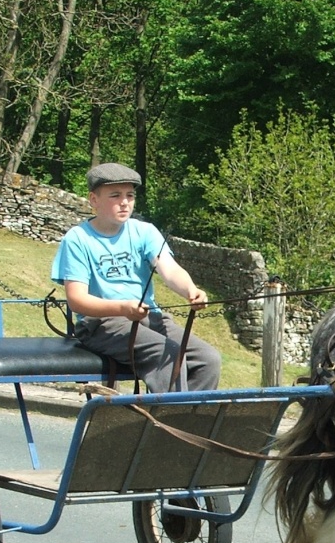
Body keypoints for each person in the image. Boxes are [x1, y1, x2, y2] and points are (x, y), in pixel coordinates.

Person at [51, 162, 221, 391]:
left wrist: (191, 290)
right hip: (100, 324)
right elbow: (76, 300)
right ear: (94, 200)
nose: (125, 202)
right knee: (167, 353)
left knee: (208, 359)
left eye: (130, 195)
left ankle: (192, 421)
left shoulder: (144, 231)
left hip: (146, 317)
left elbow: (169, 270)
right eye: (115, 195)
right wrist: (122, 308)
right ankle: (165, 420)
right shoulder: (77, 239)